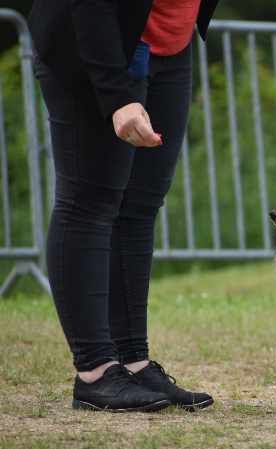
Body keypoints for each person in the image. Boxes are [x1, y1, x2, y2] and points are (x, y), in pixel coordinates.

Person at [29, 0, 219, 412]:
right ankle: (95, 371)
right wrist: (117, 96)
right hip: (93, 42)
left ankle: (134, 363)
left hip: (169, 45)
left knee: (139, 207)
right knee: (89, 202)